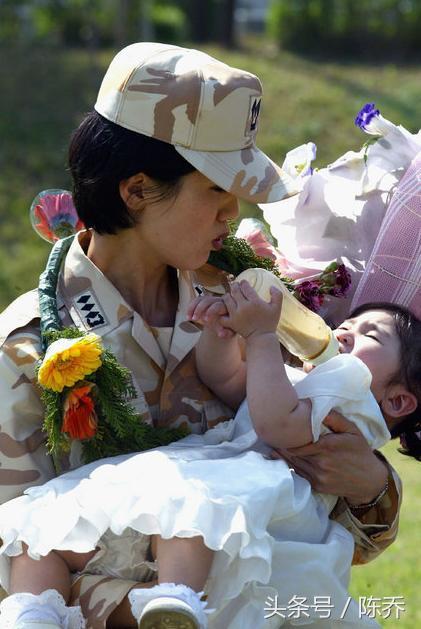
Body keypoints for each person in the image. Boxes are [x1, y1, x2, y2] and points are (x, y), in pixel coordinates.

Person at [0, 42, 402, 628]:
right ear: (136, 191)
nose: (232, 213)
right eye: (215, 188)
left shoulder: (249, 298)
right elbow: (18, 565)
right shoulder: (32, 349)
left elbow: (328, 527)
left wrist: (370, 486)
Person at [1, 288, 420, 629]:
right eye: (344, 323)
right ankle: (33, 614)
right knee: (45, 526)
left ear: (398, 401)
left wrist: (261, 340)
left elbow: (279, 426)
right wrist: (219, 335)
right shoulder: (306, 376)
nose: (344, 331)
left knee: (195, 505)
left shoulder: (353, 391)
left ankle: (175, 599)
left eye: (370, 335)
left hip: (261, 496)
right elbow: (227, 380)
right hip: (225, 473)